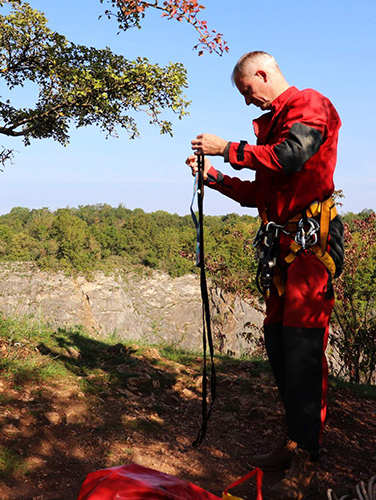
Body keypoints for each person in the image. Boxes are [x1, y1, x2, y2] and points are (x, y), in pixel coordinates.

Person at [186, 51, 344, 500]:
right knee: (279, 347)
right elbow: (261, 191)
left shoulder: (310, 104)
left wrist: (229, 149)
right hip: (283, 251)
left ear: (263, 72)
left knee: (303, 353)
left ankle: (308, 460)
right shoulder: (275, 124)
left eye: (247, 90)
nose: (247, 100)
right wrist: (213, 176)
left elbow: (292, 157)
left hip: (311, 249)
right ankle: (294, 443)